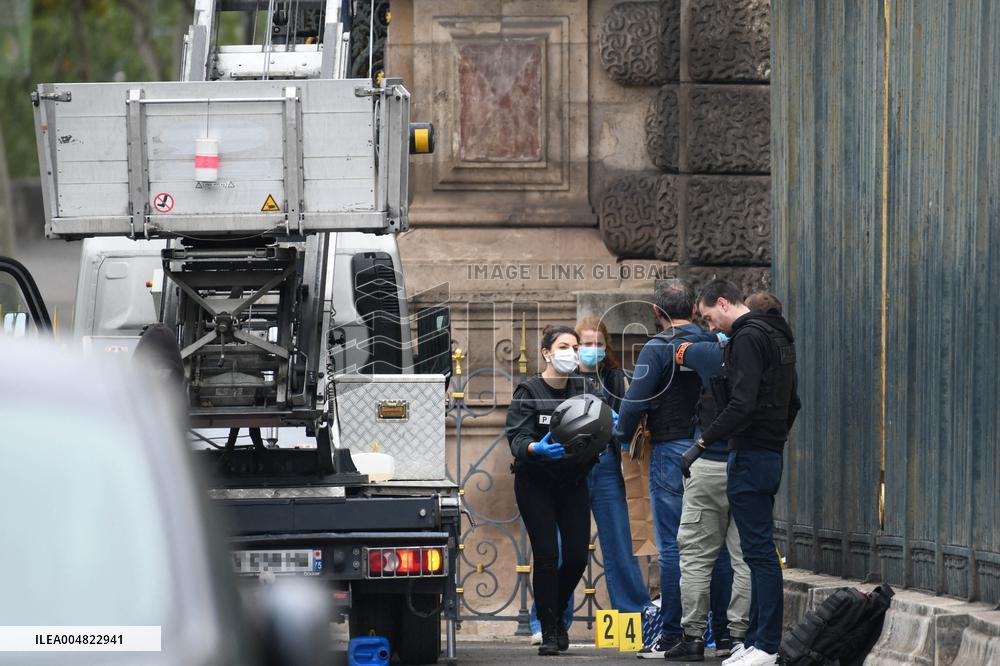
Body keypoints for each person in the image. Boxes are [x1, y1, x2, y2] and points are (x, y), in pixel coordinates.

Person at [692, 281, 801, 666]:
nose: (710, 327)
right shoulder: (776, 334)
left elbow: (742, 402)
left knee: (758, 552)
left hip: (751, 452)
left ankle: (766, 645)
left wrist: (701, 444)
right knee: (756, 552)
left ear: (723, 303)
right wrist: (775, 439)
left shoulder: (746, 338)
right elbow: (793, 401)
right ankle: (756, 639)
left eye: (709, 317)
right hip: (766, 451)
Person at [613, 279, 716, 659]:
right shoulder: (712, 342)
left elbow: (633, 403)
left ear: (657, 314)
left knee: (672, 545)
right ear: (693, 309)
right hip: (712, 449)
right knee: (712, 544)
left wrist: (622, 434)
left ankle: (672, 634)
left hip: (671, 449)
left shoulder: (657, 349)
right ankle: (719, 634)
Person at [506, 325, 596, 656]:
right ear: (546, 352)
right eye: (563, 346)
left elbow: (596, 431)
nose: (571, 353)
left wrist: (608, 428)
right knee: (547, 557)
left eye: (574, 347)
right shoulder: (528, 391)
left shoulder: (583, 389)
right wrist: (534, 449)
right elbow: (516, 436)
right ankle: (549, 630)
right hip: (535, 483)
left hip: (572, 482)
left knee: (575, 557)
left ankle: (555, 611)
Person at [665, 327, 752, 661]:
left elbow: (679, 351)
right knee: (744, 558)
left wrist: (705, 341)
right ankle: (738, 637)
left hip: (709, 466)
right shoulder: (766, 356)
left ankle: (693, 637)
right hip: (747, 465)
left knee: (697, 557)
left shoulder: (711, 353)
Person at [575, 317, 653, 617]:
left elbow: (632, 417)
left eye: (597, 344)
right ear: (576, 346)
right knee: (562, 549)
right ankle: (549, 619)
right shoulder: (562, 377)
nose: (592, 349)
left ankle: (634, 611)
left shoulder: (616, 378)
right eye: (586, 344)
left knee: (620, 541)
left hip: (607, 465)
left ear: (605, 346)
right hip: (570, 467)